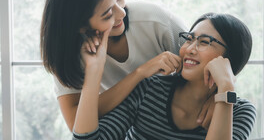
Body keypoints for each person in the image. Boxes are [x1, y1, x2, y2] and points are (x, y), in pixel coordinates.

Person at [41, 0, 214, 131]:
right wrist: (139, 73)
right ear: (80, 26)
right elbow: (76, 124)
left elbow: (210, 60)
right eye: (108, 14)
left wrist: (218, 97)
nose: (122, 13)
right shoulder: (68, 53)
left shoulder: (154, 20)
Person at [73, 13, 256, 140]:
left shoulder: (240, 112)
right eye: (189, 39)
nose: (189, 49)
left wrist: (225, 90)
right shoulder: (149, 89)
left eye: (204, 42)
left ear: (229, 59)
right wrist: (93, 69)